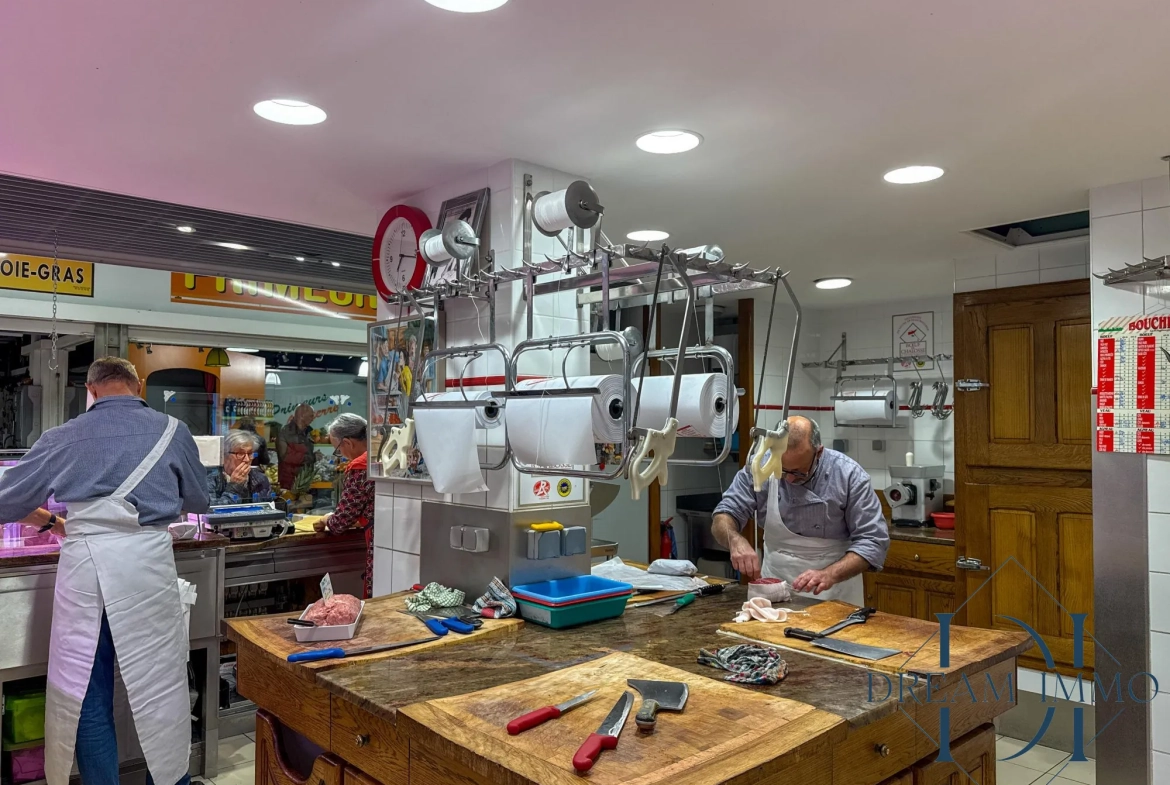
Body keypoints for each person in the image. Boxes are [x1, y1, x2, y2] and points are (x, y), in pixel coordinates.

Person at [0, 357, 210, 785]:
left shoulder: (62, 436)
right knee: (162, 688)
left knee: (85, 693)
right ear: (138, 387)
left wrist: (53, 521)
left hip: (85, 571)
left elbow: (7, 501)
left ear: (91, 391)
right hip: (147, 569)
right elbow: (200, 501)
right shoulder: (173, 431)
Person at [711, 416, 888, 605]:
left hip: (835, 593)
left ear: (818, 453)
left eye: (797, 472)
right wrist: (734, 540)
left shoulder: (849, 475)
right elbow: (724, 515)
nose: (788, 479)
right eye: (781, 469)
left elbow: (873, 541)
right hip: (775, 589)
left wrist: (830, 574)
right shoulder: (759, 467)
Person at [313, 414, 376, 597]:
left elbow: (341, 522)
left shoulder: (360, 467)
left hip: (377, 537)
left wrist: (327, 520)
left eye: (337, 449)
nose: (340, 455)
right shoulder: (381, 456)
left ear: (347, 443)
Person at [207, 430, 272, 504]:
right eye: (240, 453)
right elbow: (212, 512)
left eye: (250, 453)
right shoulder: (210, 479)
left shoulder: (261, 479)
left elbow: (268, 510)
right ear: (225, 456)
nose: (247, 459)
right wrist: (234, 486)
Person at [277, 403, 315, 489]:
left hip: (304, 481)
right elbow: (286, 456)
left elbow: (304, 452)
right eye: (311, 416)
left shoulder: (307, 432)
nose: (313, 418)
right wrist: (312, 457)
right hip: (289, 482)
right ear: (301, 416)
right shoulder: (286, 432)